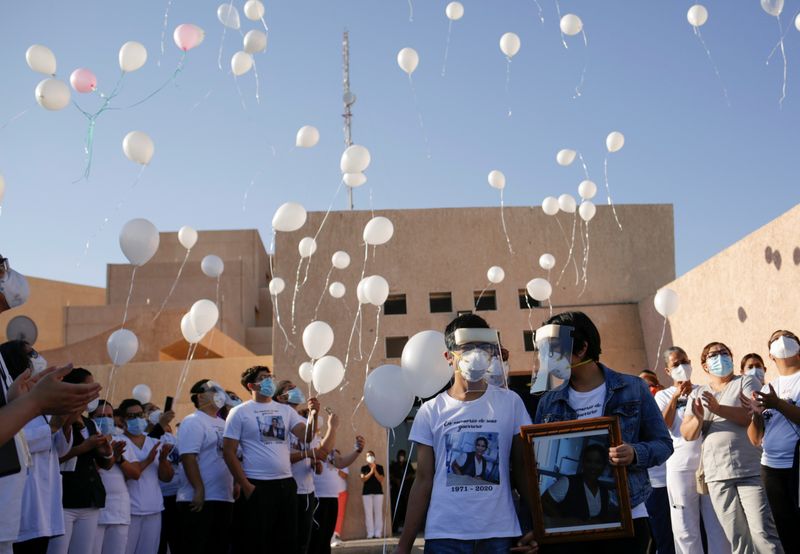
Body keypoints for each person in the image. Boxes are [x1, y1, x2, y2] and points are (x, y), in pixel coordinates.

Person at [396, 313, 537, 554]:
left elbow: (524, 469)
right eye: (467, 347)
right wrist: (404, 546)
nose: (477, 354)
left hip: (499, 534)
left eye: (483, 347)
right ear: (449, 357)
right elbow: (423, 480)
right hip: (445, 535)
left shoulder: (510, 403)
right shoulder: (431, 411)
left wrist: (540, 526)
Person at [533, 311, 673, 553]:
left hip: (629, 515)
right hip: (571, 528)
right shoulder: (549, 402)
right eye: (543, 350)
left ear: (582, 348)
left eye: (554, 349)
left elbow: (663, 444)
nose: (547, 358)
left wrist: (635, 453)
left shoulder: (633, 388)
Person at [680, 342, 781, 554]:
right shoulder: (697, 393)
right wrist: (699, 419)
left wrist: (717, 409)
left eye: (724, 353)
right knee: (737, 538)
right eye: (713, 355)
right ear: (705, 365)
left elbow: (749, 416)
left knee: (763, 533)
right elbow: (687, 433)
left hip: (749, 469)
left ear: (732, 357)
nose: (719, 357)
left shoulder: (746, 381)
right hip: (717, 474)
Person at [222, 365, 319, 553]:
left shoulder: (285, 410)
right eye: (264, 378)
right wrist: (246, 486)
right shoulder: (240, 412)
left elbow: (306, 436)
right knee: (258, 542)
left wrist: (314, 416)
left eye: (270, 376)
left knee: (286, 541)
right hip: (257, 485)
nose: (270, 381)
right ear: (252, 385)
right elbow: (228, 452)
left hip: (286, 485)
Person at [0, 341, 72, 554]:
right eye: (31, 353)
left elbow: (59, 451)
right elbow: (14, 439)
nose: (37, 356)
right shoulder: (12, 401)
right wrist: (50, 428)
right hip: (23, 503)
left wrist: (64, 422)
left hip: (45, 504)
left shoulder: (38, 401)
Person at [655, 347, 728, 554]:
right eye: (676, 364)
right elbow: (662, 425)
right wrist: (676, 396)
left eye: (685, 361)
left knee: (716, 526)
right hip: (680, 467)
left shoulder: (703, 390)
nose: (682, 367)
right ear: (667, 371)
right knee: (685, 528)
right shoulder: (662, 395)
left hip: (707, 465)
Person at [741, 330, 800, 553]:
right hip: (772, 469)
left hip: (797, 467)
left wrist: (778, 404)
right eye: (776, 338)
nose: (782, 339)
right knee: (787, 533)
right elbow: (755, 438)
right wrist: (756, 416)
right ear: (771, 355)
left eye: (788, 336)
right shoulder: (766, 388)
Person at [48, 368, 114, 554]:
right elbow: (52, 456)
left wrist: (106, 453)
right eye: (87, 386)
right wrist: (83, 447)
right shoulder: (57, 419)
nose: (92, 391)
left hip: (90, 498)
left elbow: (104, 465)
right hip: (65, 499)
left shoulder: (90, 424)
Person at [176, 380, 235, 554]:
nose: (220, 394)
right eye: (214, 391)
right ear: (201, 396)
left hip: (223, 497)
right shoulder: (193, 421)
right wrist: (199, 489)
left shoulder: (223, 423)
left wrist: (236, 483)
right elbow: (188, 457)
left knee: (218, 547)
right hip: (199, 500)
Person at [116, 399, 174, 554]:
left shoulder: (154, 441)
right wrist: (148, 460)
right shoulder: (118, 442)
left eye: (140, 415)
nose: (137, 419)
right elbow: (130, 474)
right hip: (130, 512)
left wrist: (162, 461)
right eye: (131, 416)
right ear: (122, 420)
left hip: (154, 509)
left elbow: (166, 477)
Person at [638, 369, 675, 554]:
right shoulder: (636, 413)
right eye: (644, 386)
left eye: (651, 385)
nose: (648, 389)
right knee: (662, 535)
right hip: (655, 485)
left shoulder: (669, 402)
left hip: (675, 481)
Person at [541, 443, 619, 524]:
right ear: (583, 463)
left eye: (598, 462)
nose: (593, 466)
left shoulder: (604, 491)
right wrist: (562, 521)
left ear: (604, 466)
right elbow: (544, 501)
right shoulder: (568, 482)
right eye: (589, 461)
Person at [90, 401, 130, 554]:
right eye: (100, 416)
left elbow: (135, 473)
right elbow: (90, 469)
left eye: (109, 416)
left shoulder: (120, 441)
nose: (106, 419)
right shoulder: (88, 441)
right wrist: (110, 456)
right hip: (95, 509)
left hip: (118, 509)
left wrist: (118, 458)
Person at [311, 441, 365, 554]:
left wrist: (357, 451)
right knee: (316, 538)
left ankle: (334, 537)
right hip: (316, 497)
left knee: (326, 537)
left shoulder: (332, 452)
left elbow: (341, 464)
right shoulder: (311, 448)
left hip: (332, 497)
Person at [360, 451, 385, 539]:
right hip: (366, 494)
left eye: (371, 455)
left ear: (374, 457)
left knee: (378, 513)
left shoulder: (380, 467)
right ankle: (370, 533)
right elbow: (363, 479)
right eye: (367, 456)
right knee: (368, 514)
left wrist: (375, 471)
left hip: (378, 493)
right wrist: (371, 471)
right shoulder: (364, 468)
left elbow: (381, 479)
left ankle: (378, 533)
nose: (369, 457)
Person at [389, 449, 414, 535]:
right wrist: (397, 481)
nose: (401, 457)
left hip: (406, 492)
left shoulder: (407, 465)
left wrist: (404, 479)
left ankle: (405, 527)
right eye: (400, 455)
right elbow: (390, 475)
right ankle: (396, 527)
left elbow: (412, 474)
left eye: (403, 455)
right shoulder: (394, 465)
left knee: (405, 509)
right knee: (396, 509)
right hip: (396, 492)